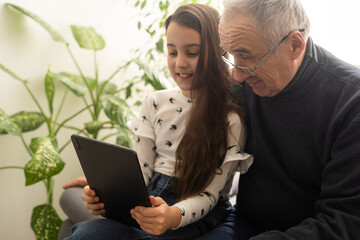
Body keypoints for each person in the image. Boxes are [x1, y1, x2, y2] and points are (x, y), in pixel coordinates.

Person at [64, 3, 253, 240]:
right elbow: (140, 172)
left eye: (192, 53)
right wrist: (107, 196)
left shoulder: (230, 119)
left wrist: (172, 216)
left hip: (195, 211)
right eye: (172, 52)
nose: (180, 63)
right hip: (151, 198)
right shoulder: (154, 102)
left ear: (217, 53)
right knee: (87, 232)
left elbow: (210, 196)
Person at [197, 0, 360, 239]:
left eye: (246, 56)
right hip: (243, 222)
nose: (238, 76)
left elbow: (344, 221)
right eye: (231, 56)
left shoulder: (351, 103)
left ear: (294, 45)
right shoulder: (248, 81)